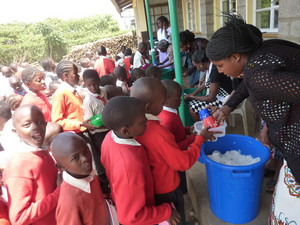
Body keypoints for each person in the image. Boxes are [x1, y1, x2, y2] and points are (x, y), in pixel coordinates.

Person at [205, 14, 300, 225]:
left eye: (220, 65)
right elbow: (250, 83)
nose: (220, 72)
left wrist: (275, 128)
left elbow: (258, 81)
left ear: (236, 56)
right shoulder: (260, 55)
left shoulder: (258, 74)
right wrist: (228, 107)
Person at [131, 77, 217, 223]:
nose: (165, 103)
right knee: (177, 217)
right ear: (149, 106)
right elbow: (183, 162)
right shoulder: (159, 132)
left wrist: (188, 132)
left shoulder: (136, 126)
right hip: (167, 188)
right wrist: (198, 139)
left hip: (156, 185)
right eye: (163, 99)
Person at [101, 96, 181, 225]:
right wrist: (166, 212)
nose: (146, 120)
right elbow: (130, 216)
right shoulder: (129, 165)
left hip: (124, 196)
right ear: (126, 130)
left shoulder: (109, 138)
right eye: (142, 121)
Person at [52, 61, 109, 195]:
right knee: (93, 166)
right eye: (75, 73)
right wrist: (80, 124)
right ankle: (101, 192)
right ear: (65, 76)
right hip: (76, 136)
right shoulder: (61, 93)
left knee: (97, 163)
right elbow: (57, 121)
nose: (78, 76)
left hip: (85, 133)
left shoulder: (73, 90)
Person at [3, 105, 60, 225]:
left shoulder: (41, 152)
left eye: (40, 122)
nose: (36, 128)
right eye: (26, 125)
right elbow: (19, 218)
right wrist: (59, 192)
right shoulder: (19, 166)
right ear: (15, 132)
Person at [50, 132, 111, 225]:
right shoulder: (69, 202)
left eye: (86, 150)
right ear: (61, 166)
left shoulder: (90, 175)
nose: (85, 158)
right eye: (75, 158)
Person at [158, 80, 196, 195]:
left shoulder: (172, 110)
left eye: (180, 97)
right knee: (179, 180)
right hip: (177, 156)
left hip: (180, 152)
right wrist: (193, 138)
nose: (180, 101)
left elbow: (177, 129)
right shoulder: (167, 120)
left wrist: (187, 129)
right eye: (177, 99)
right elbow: (173, 147)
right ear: (164, 101)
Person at [184, 50, 233, 122]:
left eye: (196, 66)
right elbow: (206, 83)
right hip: (219, 95)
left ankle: (203, 128)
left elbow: (211, 98)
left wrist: (192, 96)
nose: (197, 69)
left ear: (201, 64)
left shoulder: (214, 71)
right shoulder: (210, 66)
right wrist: (193, 94)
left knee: (193, 108)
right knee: (193, 102)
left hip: (226, 98)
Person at [82, 69, 109, 176]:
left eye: (95, 84)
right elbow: (91, 125)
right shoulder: (88, 101)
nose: (93, 88)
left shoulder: (103, 91)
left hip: (108, 128)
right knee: (105, 157)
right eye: (89, 85)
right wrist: (107, 124)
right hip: (99, 134)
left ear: (99, 81)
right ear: (85, 85)